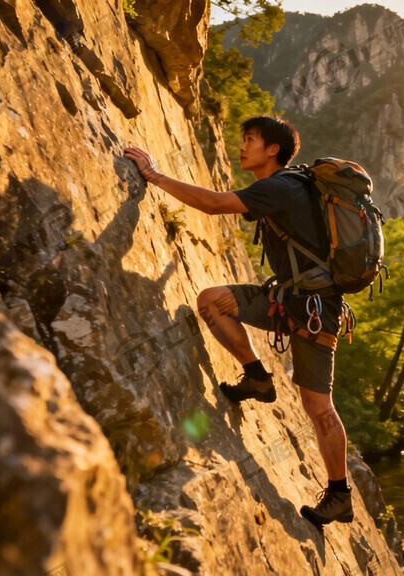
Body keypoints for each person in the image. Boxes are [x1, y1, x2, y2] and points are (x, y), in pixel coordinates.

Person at [122, 115, 353, 526]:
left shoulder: (281, 186)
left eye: (250, 140)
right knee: (212, 301)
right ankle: (258, 378)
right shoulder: (284, 187)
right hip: (288, 300)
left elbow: (213, 205)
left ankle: (340, 495)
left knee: (318, 407)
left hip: (316, 311)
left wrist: (152, 175)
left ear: (273, 151)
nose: (241, 146)